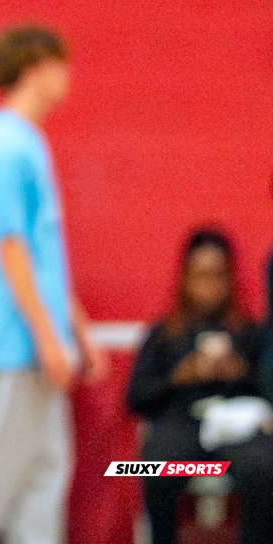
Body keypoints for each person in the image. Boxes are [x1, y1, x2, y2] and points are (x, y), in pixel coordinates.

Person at [0, 25, 108, 544]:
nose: (66, 76)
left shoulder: (25, 141)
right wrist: (47, 335)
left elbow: (44, 256)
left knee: (46, 470)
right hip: (19, 340)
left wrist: (78, 331)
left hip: (38, 336)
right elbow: (10, 248)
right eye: (59, 63)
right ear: (34, 67)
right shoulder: (5, 146)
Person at [127, 229, 273, 544]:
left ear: (231, 278)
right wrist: (178, 378)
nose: (209, 286)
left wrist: (240, 373)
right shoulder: (165, 336)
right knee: (157, 465)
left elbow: (267, 392)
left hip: (237, 427)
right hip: (180, 423)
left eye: (218, 275)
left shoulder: (250, 334)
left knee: (264, 465)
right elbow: (136, 398)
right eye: (200, 275)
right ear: (186, 277)